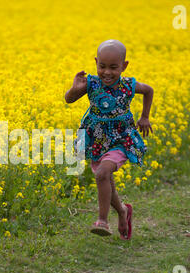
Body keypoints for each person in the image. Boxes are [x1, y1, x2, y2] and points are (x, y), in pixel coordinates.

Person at [65, 39, 154, 240]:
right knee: (105, 179)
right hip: (96, 138)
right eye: (102, 66)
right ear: (96, 62)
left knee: (102, 174)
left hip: (121, 139)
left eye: (114, 67)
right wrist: (74, 87)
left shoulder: (128, 85)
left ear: (124, 66)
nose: (107, 72)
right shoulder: (91, 83)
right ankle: (123, 211)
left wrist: (145, 116)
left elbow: (149, 90)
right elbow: (69, 99)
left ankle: (102, 221)